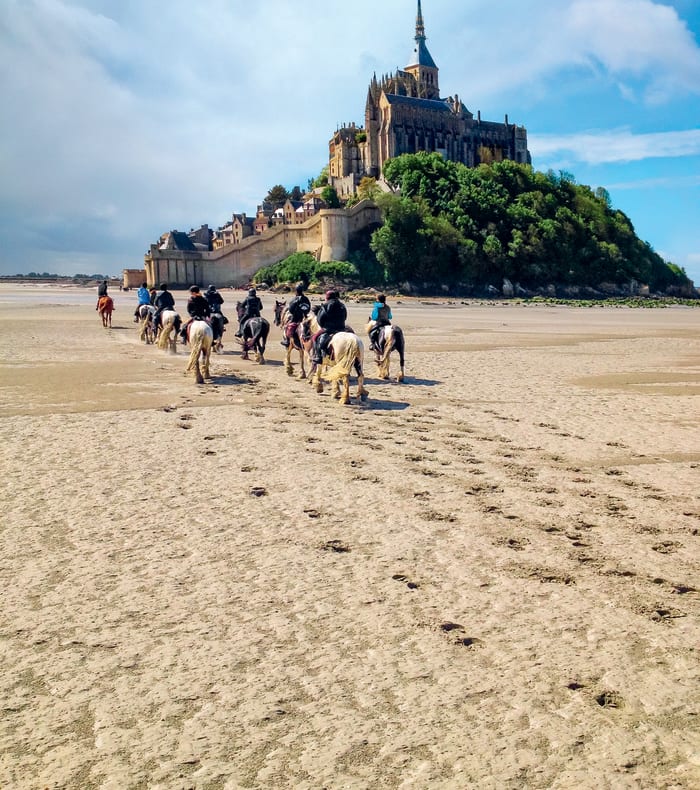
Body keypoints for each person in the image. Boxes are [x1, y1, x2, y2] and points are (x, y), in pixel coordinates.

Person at [313, 290, 347, 364]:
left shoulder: (325, 305)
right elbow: (345, 317)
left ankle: (318, 357)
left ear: (327, 297)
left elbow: (320, 319)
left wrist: (323, 326)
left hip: (329, 329)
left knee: (315, 338)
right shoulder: (342, 305)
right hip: (341, 328)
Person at [280, 282, 310, 347]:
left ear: (296, 291)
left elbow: (291, 310)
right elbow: (308, 307)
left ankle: (287, 341)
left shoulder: (294, 299)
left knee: (287, 327)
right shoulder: (306, 299)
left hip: (296, 318)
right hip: (305, 317)